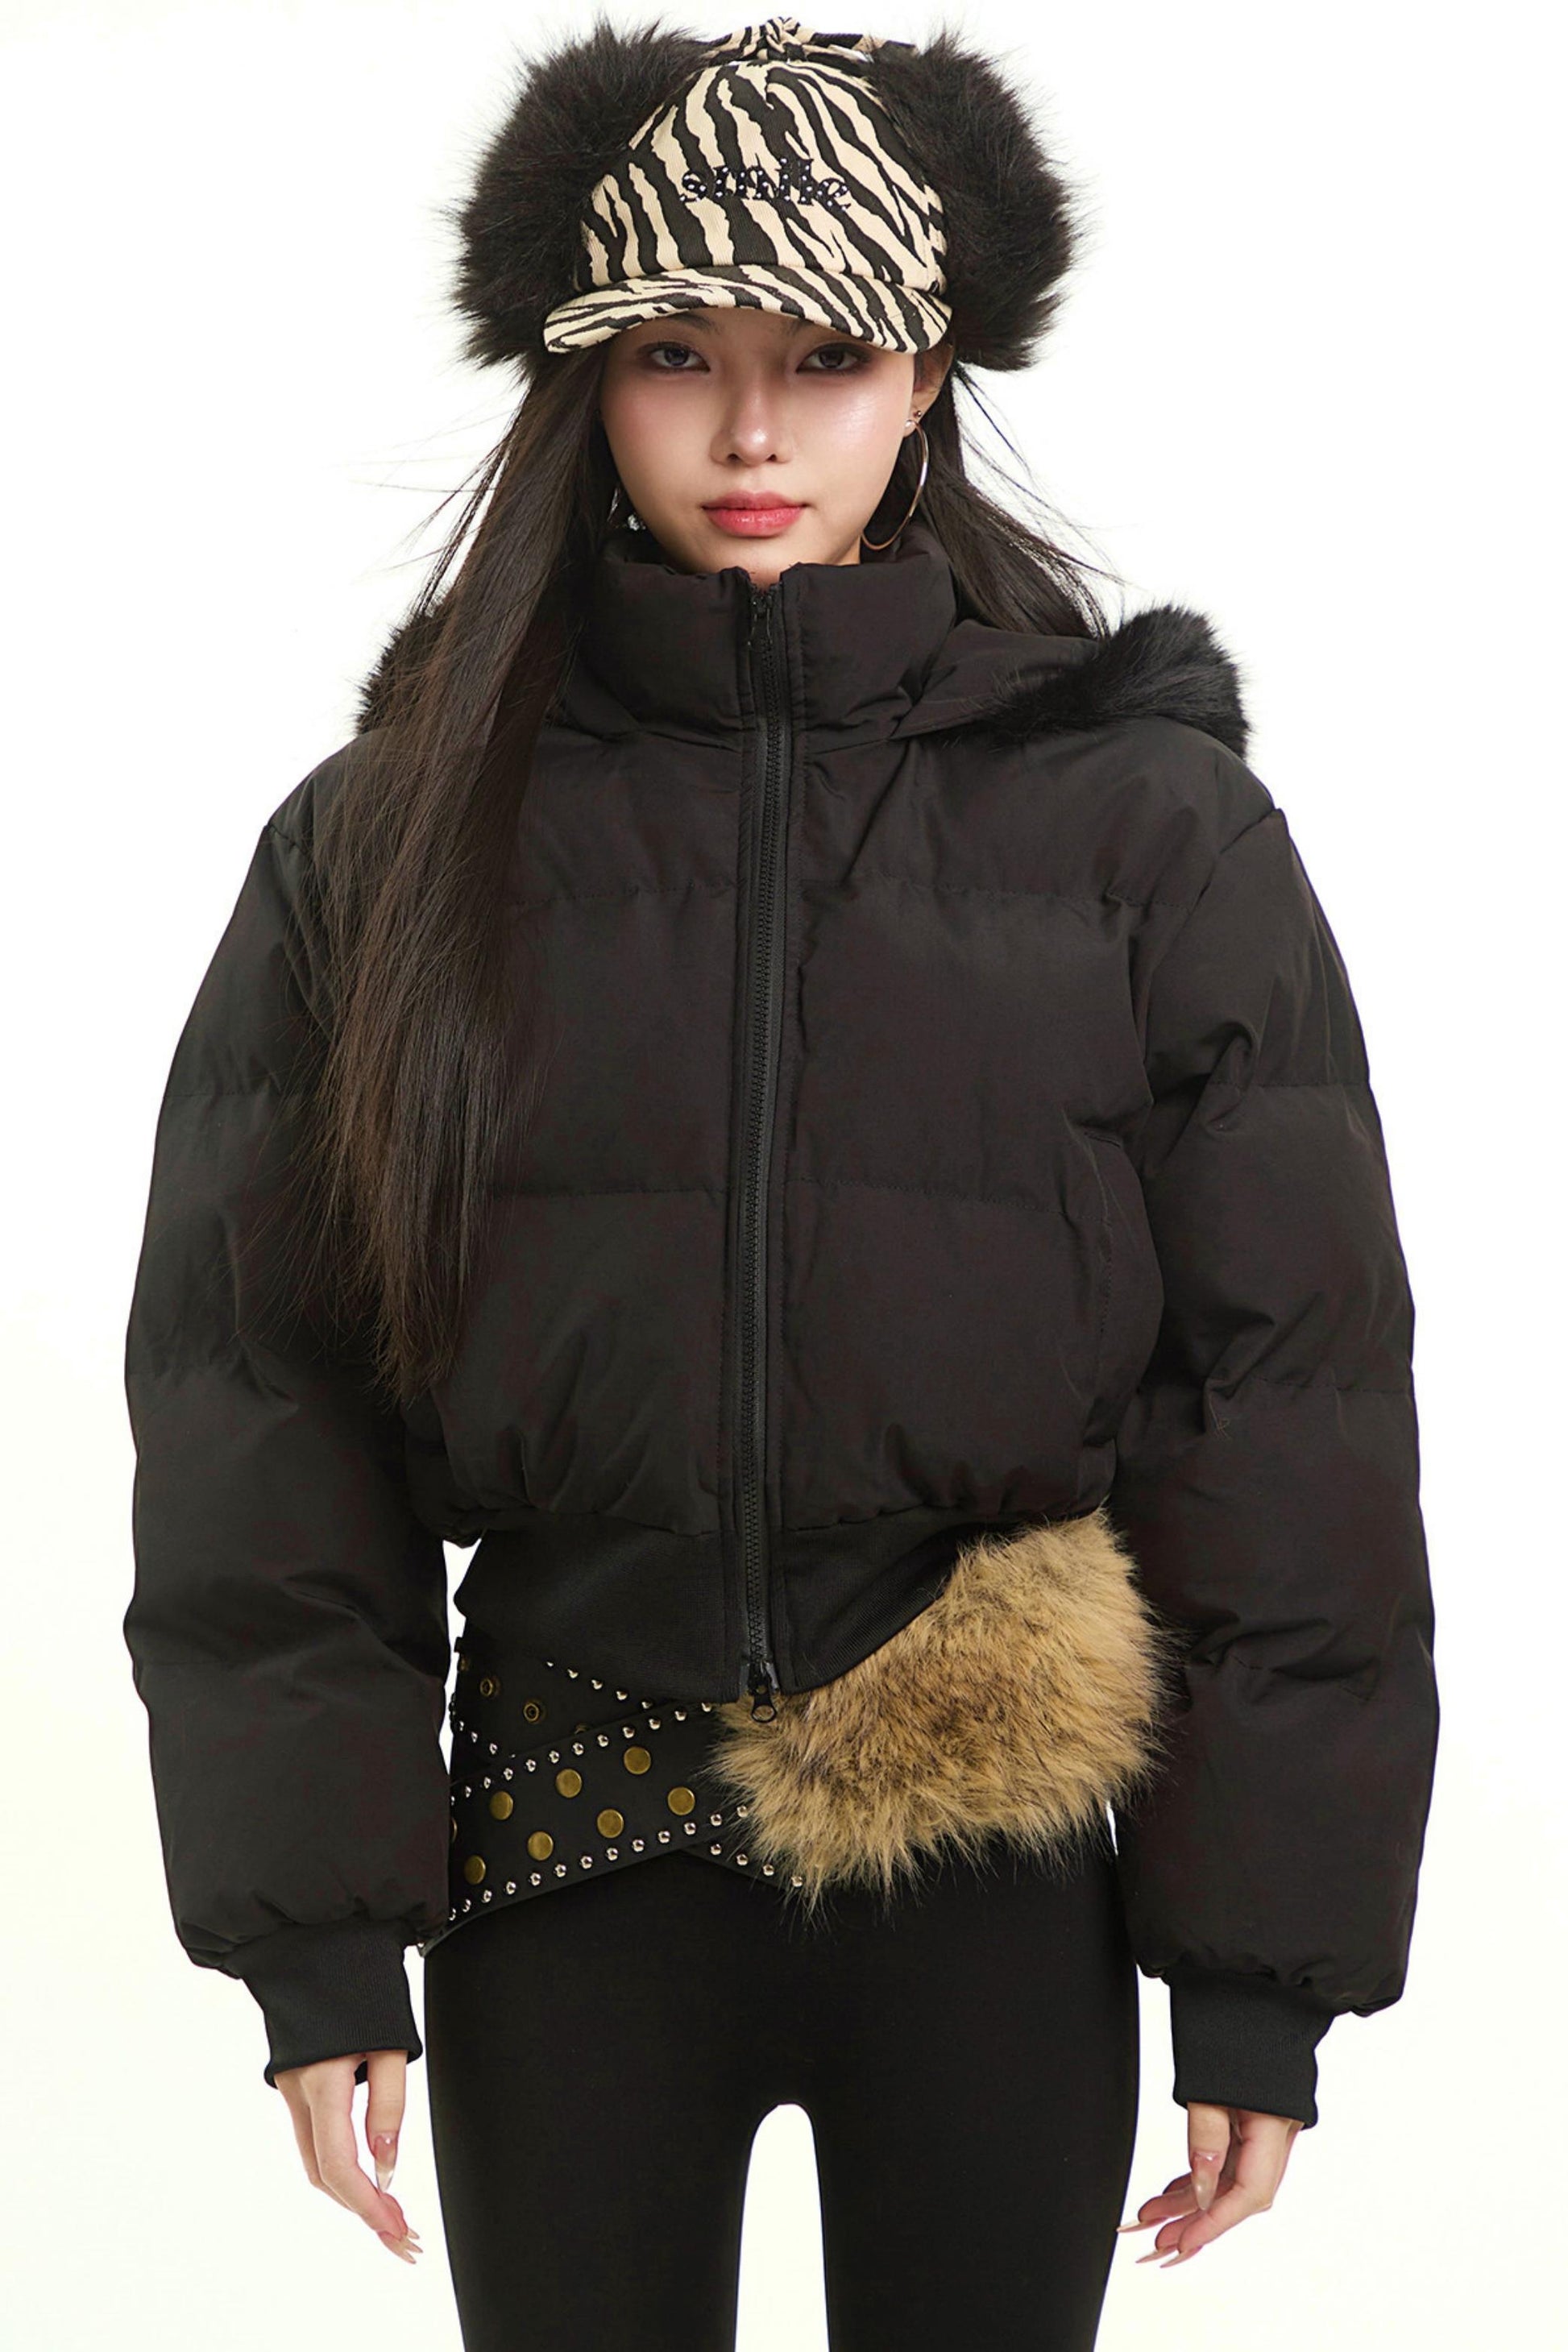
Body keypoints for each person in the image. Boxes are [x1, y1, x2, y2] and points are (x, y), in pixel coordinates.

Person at [122, 16, 1440, 2347]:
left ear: (927, 375)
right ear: (582, 381)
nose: (751, 434)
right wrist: (313, 1934)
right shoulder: (393, 841)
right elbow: (263, 1399)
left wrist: (1260, 1969)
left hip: (990, 1856)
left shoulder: (1143, 833)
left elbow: (1283, 1401)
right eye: (675, 359)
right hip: (564, 1838)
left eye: (823, 360)